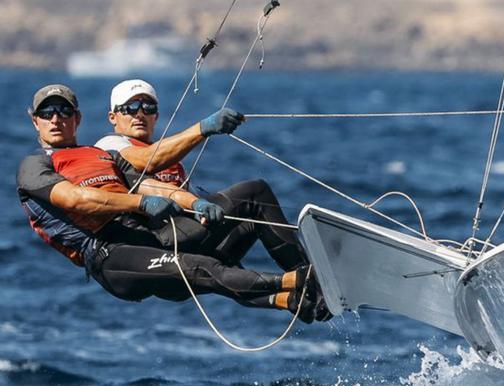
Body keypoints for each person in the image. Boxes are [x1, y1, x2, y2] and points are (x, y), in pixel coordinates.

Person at [17, 84, 327, 322]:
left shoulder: (103, 156)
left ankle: (305, 296)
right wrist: (141, 204)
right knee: (204, 267)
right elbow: (76, 199)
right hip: (109, 256)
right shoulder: (34, 165)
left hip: (145, 238)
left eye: (64, 112)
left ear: (77, 118)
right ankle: (302, 281)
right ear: (35, 122)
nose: (55, 119)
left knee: (251, 194)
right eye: (47, 114)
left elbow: (153, 185)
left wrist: (195, 203)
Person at [94, 79, 311, 275]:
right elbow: (147, 160)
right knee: (255, 192)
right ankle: (305, 274)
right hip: (159, 245)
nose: (140, 114)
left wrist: (205, 205)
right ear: (113, 117)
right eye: (130, 108)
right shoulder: (109, 144)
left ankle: (307, 298)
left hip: (190, 239)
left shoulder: (171, 158)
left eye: (148, 107)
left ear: (156, 116)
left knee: (251, 219)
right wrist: (204, 128)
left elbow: (188, 194)